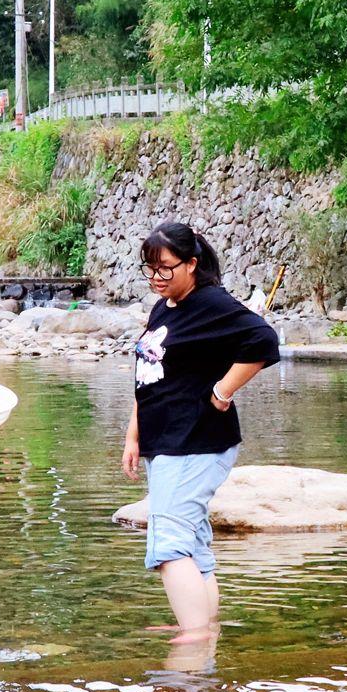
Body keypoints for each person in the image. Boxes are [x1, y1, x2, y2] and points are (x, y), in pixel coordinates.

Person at [123, 221, 280, 645]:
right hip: (167, 439)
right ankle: (204, 633)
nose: (156, 278)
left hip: (194, 440)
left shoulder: (210, 302)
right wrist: (134, 434)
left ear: (191, 264)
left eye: (165, 269)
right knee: (192, 546)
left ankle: (191, 647)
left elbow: (264, 340)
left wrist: (222, 390)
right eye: (149, 269)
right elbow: (151, 374)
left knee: (169, 547)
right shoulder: (165, 306)